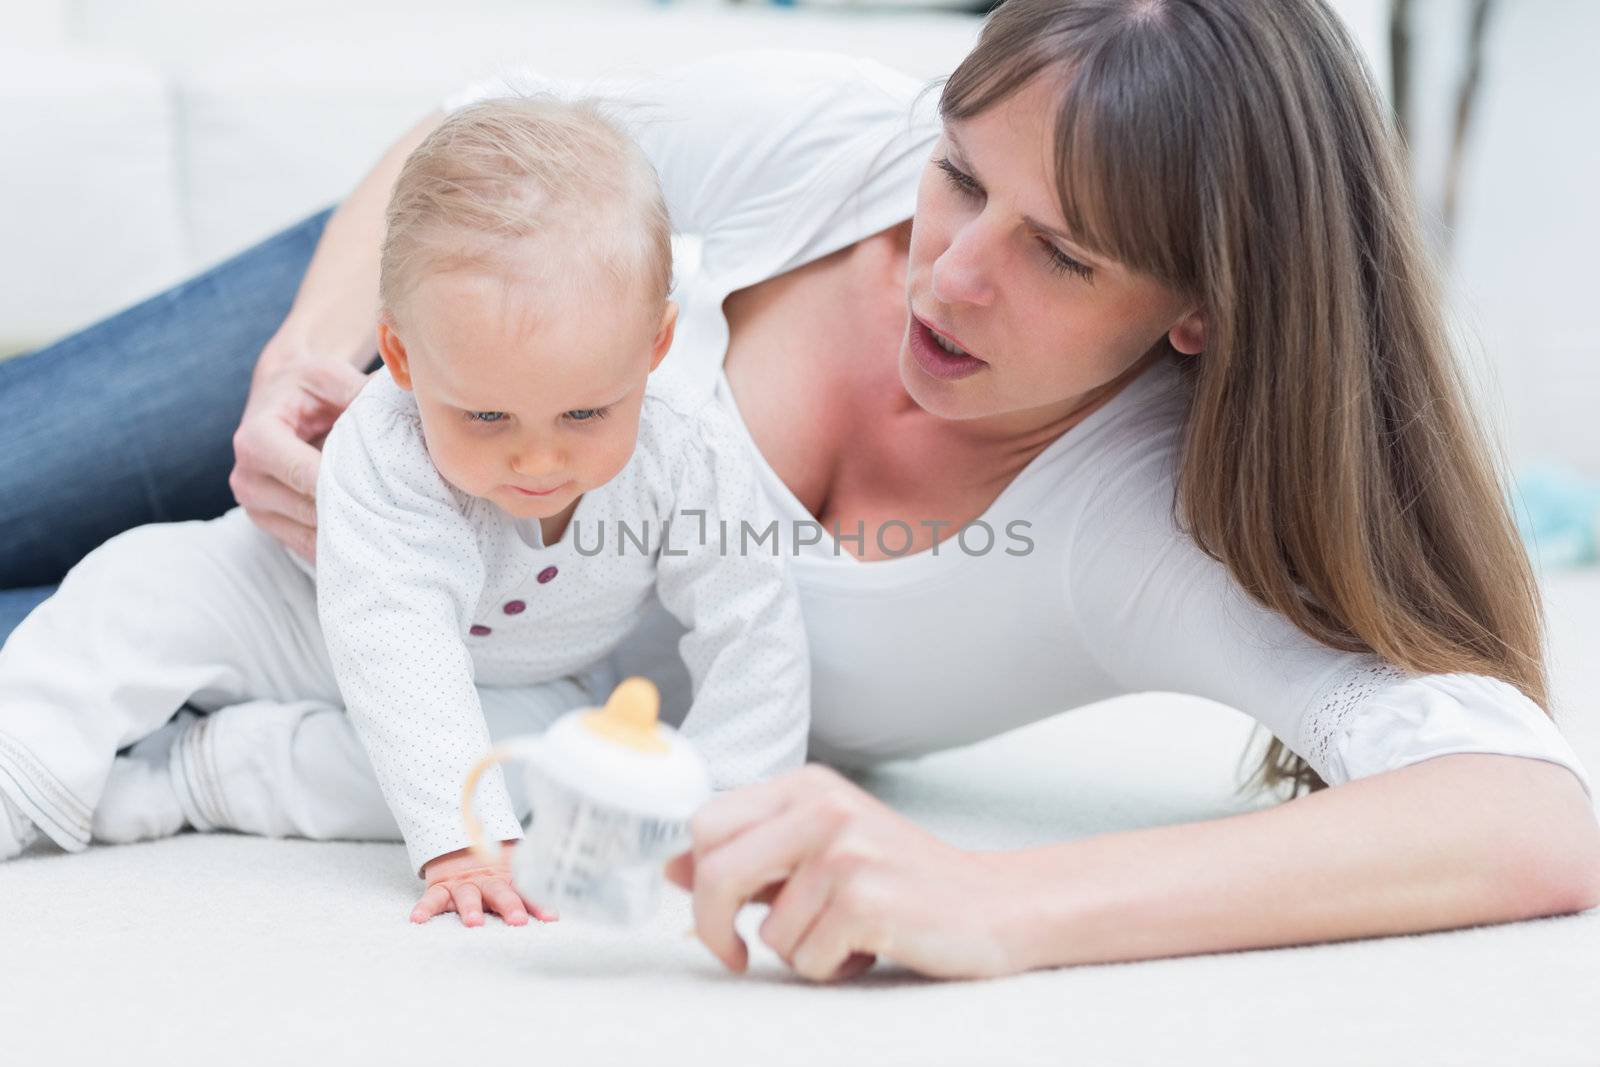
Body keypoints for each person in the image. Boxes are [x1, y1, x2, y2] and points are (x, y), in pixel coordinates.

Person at [2, 0, 1597, 980]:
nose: (948, 274)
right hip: (408, 346)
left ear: (1198, 311)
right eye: (963, 174)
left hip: (485, 646)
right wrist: (316, 346)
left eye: (1061, 252)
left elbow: (1531, 817)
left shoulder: (1144, 526)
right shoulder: (830, 145)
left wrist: (996, 898)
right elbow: (487, 125)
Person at [0, 97, 811, 928]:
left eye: (584, 414)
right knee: (134, 587)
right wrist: (464, 841)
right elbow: (401, 637)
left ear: (654, 348)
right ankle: (23, 761)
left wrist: (737, 807)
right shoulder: (384, 441)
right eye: (487, 418)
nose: (538, 461)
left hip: (521, 677)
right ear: (400, 356)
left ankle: (200, 774)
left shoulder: (694, 451)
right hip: (287, 608)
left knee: (533, 765)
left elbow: (752, 623)